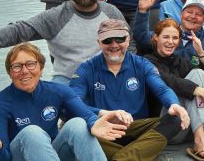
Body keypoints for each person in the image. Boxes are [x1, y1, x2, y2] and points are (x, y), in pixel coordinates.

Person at [0, 43, 121, 161]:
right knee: (32, 132)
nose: (24, 71)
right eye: (17, 66)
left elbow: (85, 114)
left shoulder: (58, 91)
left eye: (30, 64)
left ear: (41, 68)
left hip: (49, 154)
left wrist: (94, 122)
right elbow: (3, 158)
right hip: (18, 157)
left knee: (78, 123)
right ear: (10, 72)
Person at [0, 0, 125, 84]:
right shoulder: (56, 16)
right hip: (68, 79)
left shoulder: (111, 12)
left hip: (105, 78)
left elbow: (128, 40)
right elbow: (18, 31)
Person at [70, 19, 191, 161]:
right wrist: (103, 113)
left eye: (120, 39)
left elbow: (162, 89)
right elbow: (73, 103)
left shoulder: (142, 64)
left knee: (175, 119)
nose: (114, 45)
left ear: (128, 40)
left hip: (136, 128)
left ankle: (123, 157)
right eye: (107, 40)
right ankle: (139, 154)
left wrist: (173, 104)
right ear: (99, 43)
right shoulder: (86, 68)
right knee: (78, 127)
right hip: (102, 129)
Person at [142, 19, 204, 160]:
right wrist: (199, 90)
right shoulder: (147, 61)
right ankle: (200, 140)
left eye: (175, 38)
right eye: (166, 37)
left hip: (189, 124)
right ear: (155, 37)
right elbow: (168, 81)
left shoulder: (178, 60)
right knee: (196, 78)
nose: (171, 42)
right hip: (168, 127)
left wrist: (201, 52)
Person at [136, 0, 204, 64]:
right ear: (181, 14)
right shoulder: (167, 32)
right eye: (189, 12)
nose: (193, 16)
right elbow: (142, 39)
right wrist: (142, 11)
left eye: (198, 14)